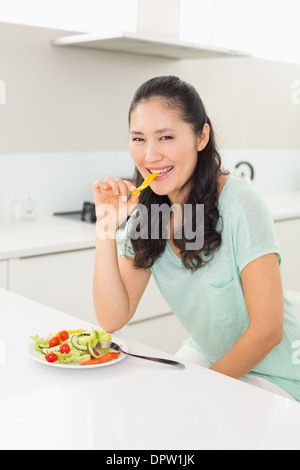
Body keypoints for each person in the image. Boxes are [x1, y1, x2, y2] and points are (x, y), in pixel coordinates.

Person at [93, 75, 300, 402]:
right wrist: (105, 227)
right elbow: (112, 317)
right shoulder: (151, 215)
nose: (149, 156)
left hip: (279, 372)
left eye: (166, 137)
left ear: (201, 136)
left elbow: (268, 330)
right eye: (138, 138)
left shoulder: (240, 203)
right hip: (210, 355)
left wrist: (199, 390)